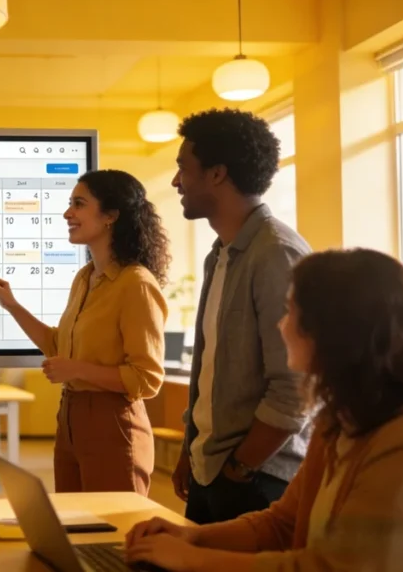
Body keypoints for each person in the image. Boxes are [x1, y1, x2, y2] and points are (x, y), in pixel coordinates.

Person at [125, 248, 403, 571]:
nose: (281, 326)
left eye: (290, 312)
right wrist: (191, 537)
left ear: (331, 331)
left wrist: (191, 559)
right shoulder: (340, 421)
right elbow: (282, 525)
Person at [0, 169, 170, 494]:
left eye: (79, 204)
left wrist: (78, 369)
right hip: (70, 416)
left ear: (111, 215)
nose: (67, 213)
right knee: (75, 526)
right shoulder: (85, 278)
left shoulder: (135, 284)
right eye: (70, 203)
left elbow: (147, 378)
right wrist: (11, 304)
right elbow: (57, 344)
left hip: (112, 423)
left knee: (112, 534)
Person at [172, 108, 313, 524]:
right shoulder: (221, 255)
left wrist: (239, 469)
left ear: (216, 174)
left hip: (256, 478)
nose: (176, 181)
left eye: (183, 168)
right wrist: (192, 451)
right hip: (214, 469)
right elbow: (211, 373)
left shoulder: (277, 254)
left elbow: (296, 388)